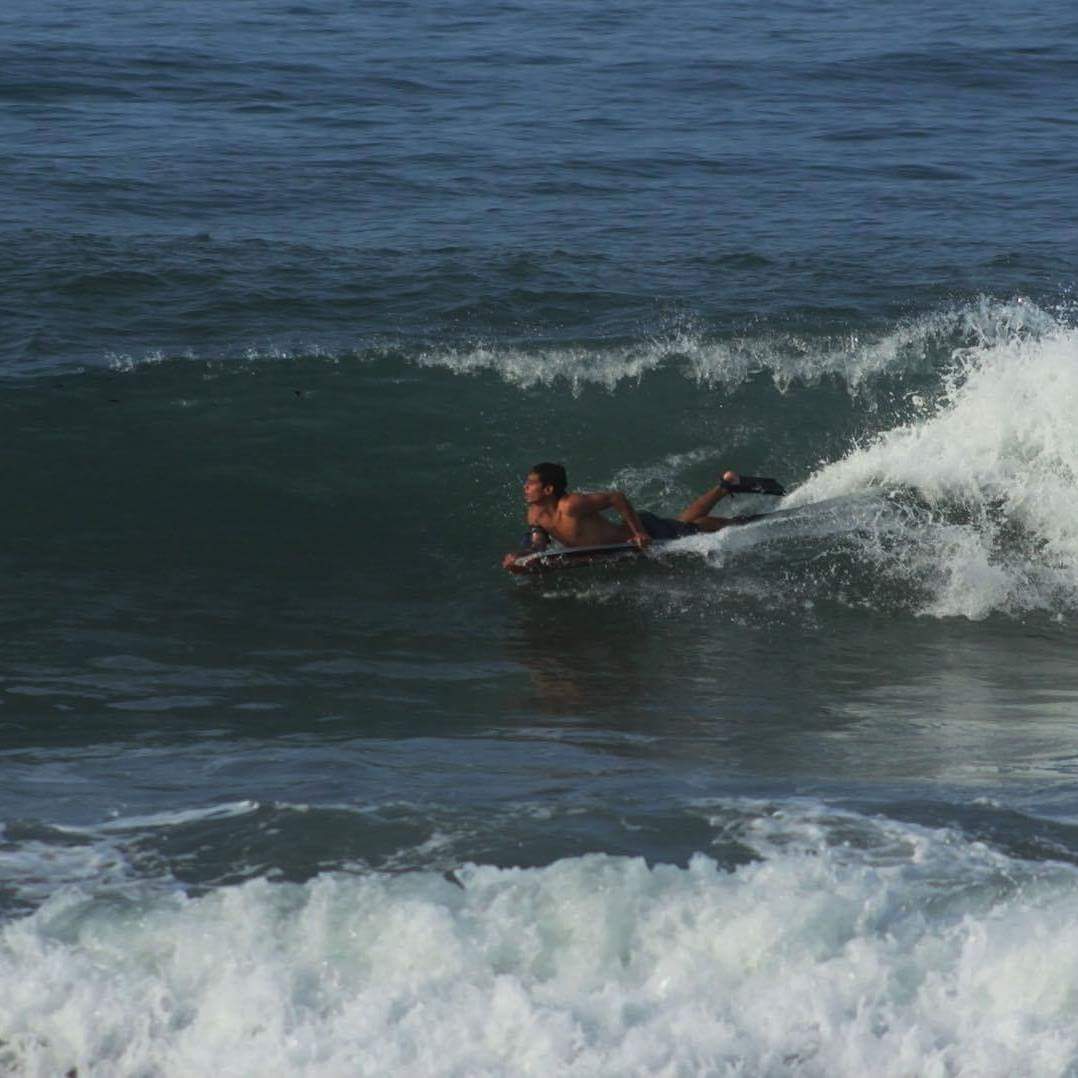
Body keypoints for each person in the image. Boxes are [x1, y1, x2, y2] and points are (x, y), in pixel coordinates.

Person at [501, 462, 755, 570]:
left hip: (644, 530)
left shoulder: (572, 505)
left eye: (530, 483)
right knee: (684, 522)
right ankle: (724, 487)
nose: (525, 487)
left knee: (694, 528)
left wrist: (639, 532)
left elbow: (616, 497)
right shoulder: (535, 513)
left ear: (548, 489)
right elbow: (538, 543)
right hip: (623, 541)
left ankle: (737, 522)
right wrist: (523, 556)